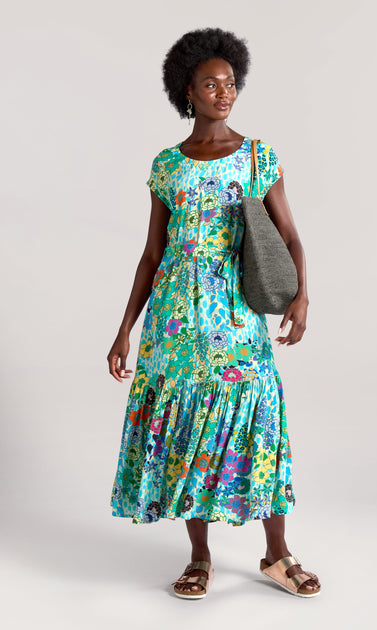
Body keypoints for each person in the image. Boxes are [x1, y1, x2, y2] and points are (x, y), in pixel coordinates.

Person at [107, 27, 321, 600]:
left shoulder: (257, 156)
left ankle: (278, 554)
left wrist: (302, 296)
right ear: (188, 92)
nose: (224, 93)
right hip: (173, 327)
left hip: (235, 317)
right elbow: (152, 254)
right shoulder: (167, 167)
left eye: (230, 83)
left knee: (259, 423)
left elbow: (290, 237)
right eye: (211, 84)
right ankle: (199, 556)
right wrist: (124, 330)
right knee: (183, 434)